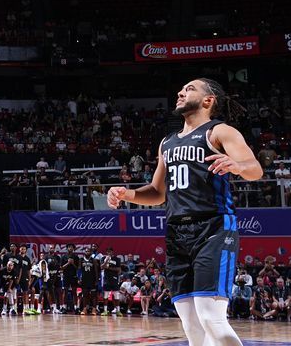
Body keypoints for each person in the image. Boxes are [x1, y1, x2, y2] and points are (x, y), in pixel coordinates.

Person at [109, 78, 262, 346]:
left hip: (213, 228)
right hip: (177, 232)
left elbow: (255, 169)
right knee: (191, 325)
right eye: (181, 89)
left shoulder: (220, 131)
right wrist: (128, 194)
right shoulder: (167, 143)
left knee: (210, 317)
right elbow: (158, 193)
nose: (181, 92)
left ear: (208, 100)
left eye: (190, 89)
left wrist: (236, 165)